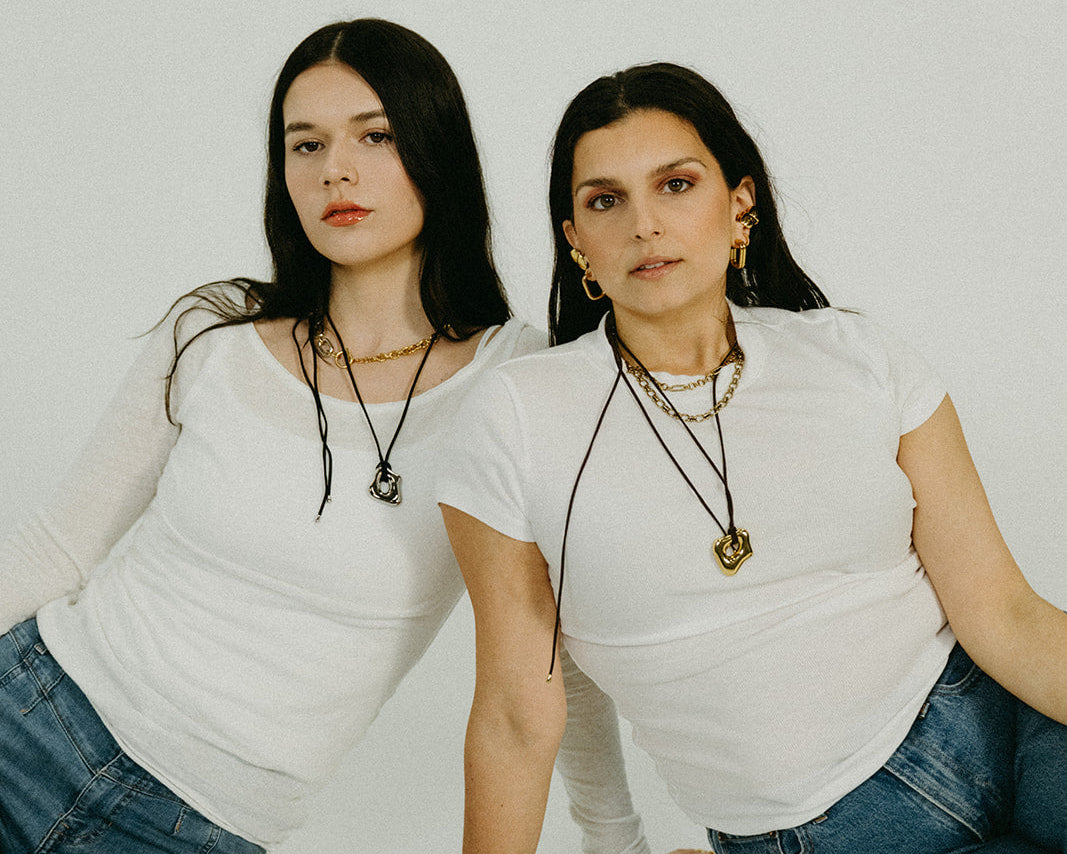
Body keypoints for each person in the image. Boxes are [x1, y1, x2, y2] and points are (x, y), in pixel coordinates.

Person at [0, 20, 650, 854]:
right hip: (29, 707)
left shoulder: (519, 381)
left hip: (199, 826)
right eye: (304, 145)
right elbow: (57, 548)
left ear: (433, 148)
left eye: (374, 136)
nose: (334, 169)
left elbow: (552, 657)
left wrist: (616, 841)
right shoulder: (216, 331)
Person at [438, 63, 1067, 853]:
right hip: (825, 832)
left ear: (740, 206)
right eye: (605, 200)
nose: (643, 224)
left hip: (1007, 719)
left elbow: (1006, 617)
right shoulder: (517, 418)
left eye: (675, 184)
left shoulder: (855, 355)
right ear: (577, 245)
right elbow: (515, 714)